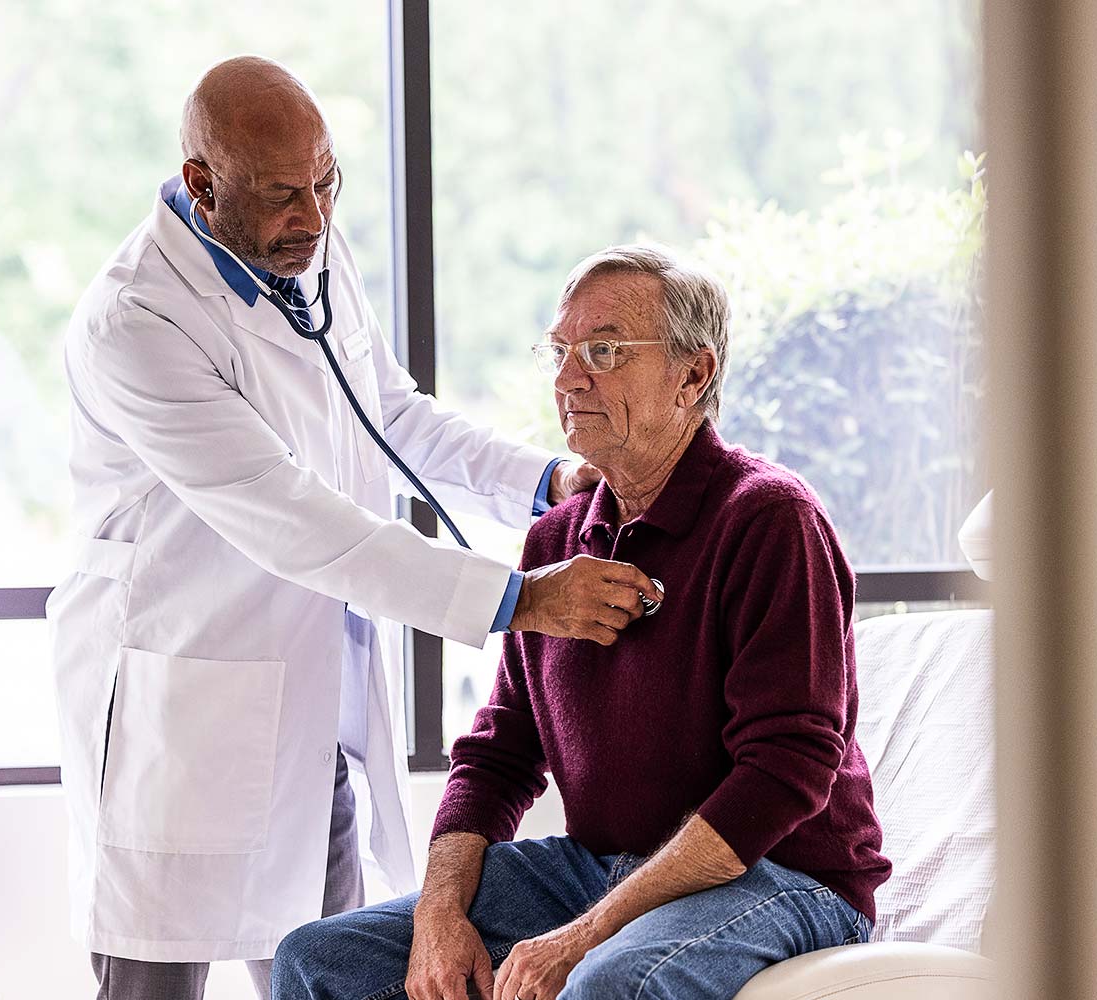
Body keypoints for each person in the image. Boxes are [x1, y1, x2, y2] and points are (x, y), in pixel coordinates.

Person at [47, 58, 661, 1000]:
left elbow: (389, 414)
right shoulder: (135, 320)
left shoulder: (308, 250)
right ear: (203, 184)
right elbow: (289, 515)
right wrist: (519, 599)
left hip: (309, 699)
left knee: (323, 967)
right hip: (178, 701)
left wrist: (545, 482)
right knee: (154, 984)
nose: (315, 216)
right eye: (283, 195)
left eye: (328, 182)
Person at [273, 245, 892, 1000]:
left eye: (604, 351)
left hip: (783, 876)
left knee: (611, 982)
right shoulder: (555, 543)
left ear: (693, 376)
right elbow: (498, 755)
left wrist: (585, 934)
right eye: (560, 351)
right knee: (319, 959)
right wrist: (438, 914)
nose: (569, 378)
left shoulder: (770, 520)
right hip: (599, 868)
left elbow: (784, 772)